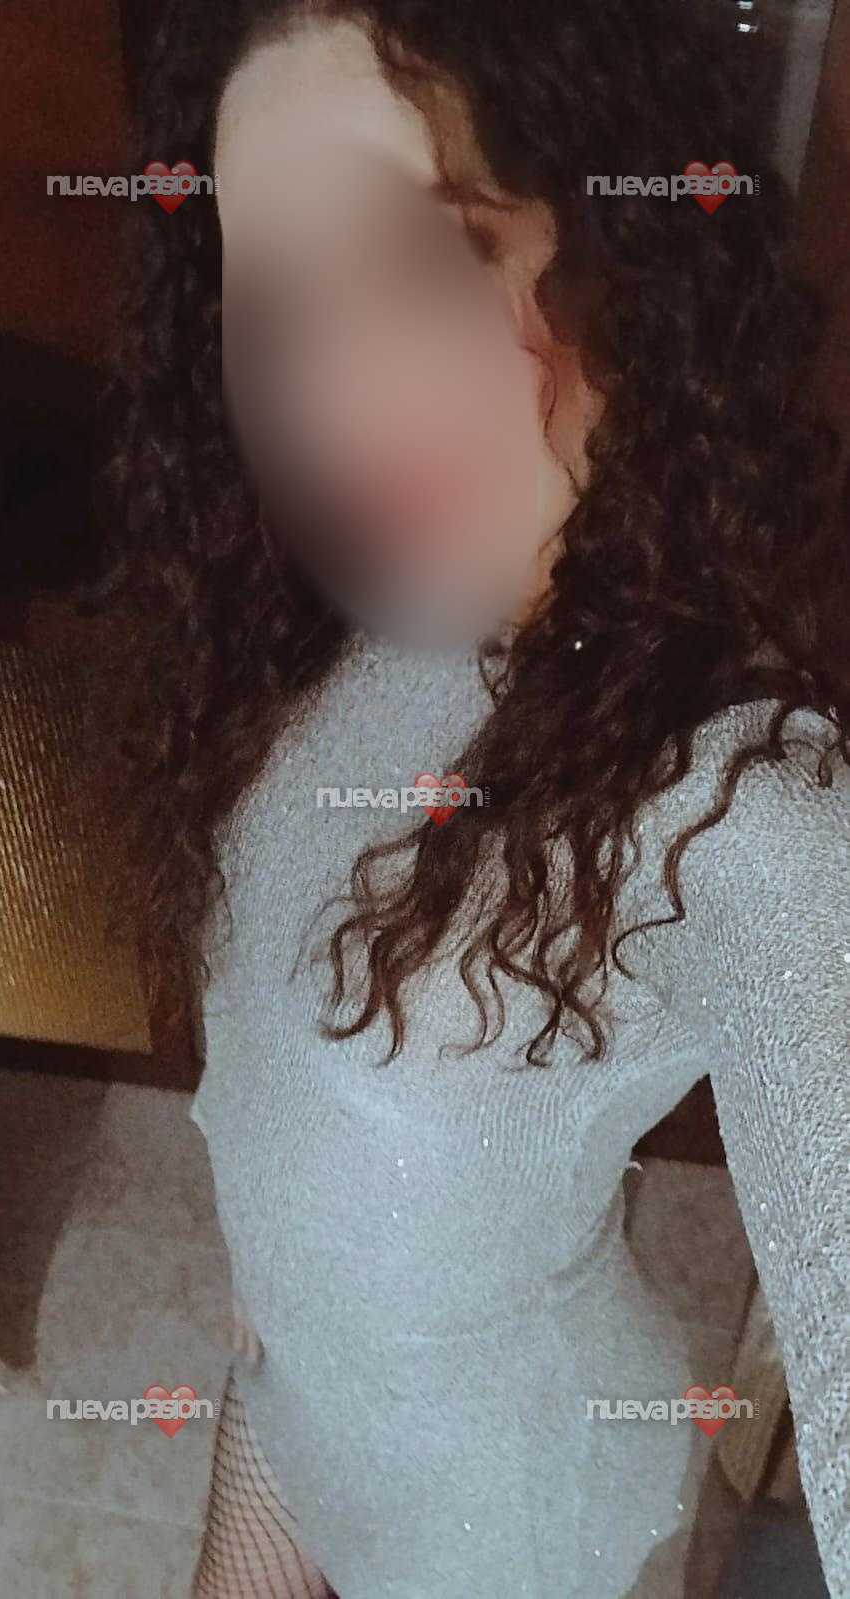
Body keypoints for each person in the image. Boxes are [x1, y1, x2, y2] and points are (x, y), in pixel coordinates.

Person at [80, 0, 850, 1594]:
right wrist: (277, 1261)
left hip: (497, 1516)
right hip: (287, 1388)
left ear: (614, 246)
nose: (341, 395)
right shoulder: (363, 610)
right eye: (280, 301)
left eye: (430, 257)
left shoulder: (747, 808)